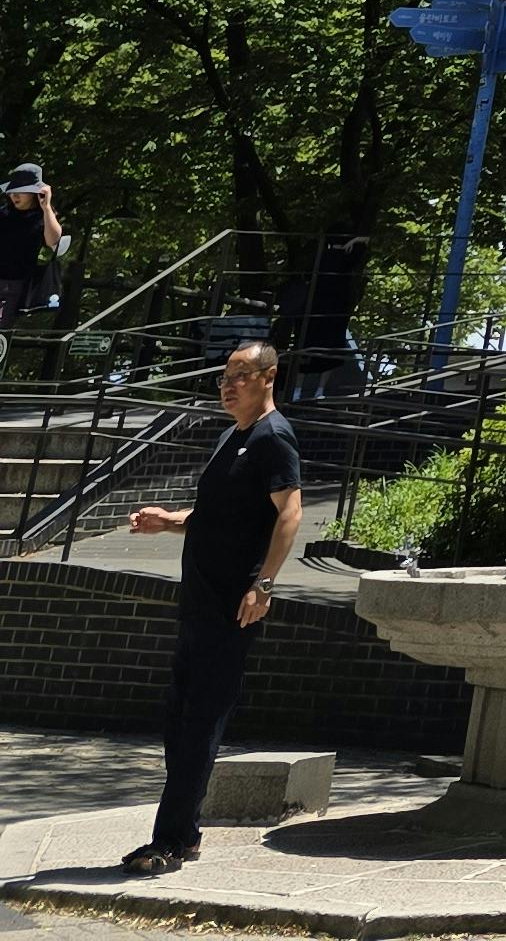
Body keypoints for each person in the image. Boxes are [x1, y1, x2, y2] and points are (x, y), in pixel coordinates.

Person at [116, 340, 303, 874]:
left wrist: (263, 585)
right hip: (198, 602)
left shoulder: (274, 436)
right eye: (225, 376)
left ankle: (170, 842)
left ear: (269, 377)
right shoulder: (233, 437)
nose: (228, 384)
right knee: (180, 721)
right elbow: (218, 512)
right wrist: (168, 520)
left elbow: (289, 512)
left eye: (241, 374)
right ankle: (186, 833)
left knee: (199, 723)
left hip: (231, 606)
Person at [0, 164, 69, 340]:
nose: (14, 195)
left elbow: (53, 241)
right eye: (12, 191)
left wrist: (46, 207)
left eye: (21, 191)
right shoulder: (3, 213)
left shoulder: (42, 217)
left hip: (14, 285)